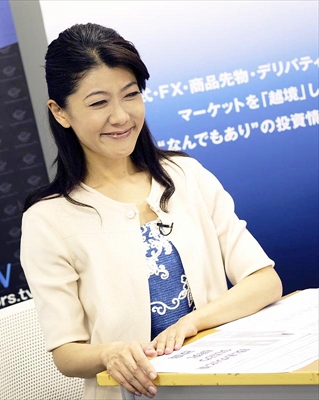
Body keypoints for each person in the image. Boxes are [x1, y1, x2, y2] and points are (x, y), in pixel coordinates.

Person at [20, 23, 283, 400]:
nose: (121, 117)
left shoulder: (186, 175)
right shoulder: (47, 219)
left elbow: (264, 280)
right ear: (60, 112)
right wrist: (109, 353)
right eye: (98, 103)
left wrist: (195, 322)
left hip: (222, 384)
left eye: (131, 95)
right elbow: (67, 353)